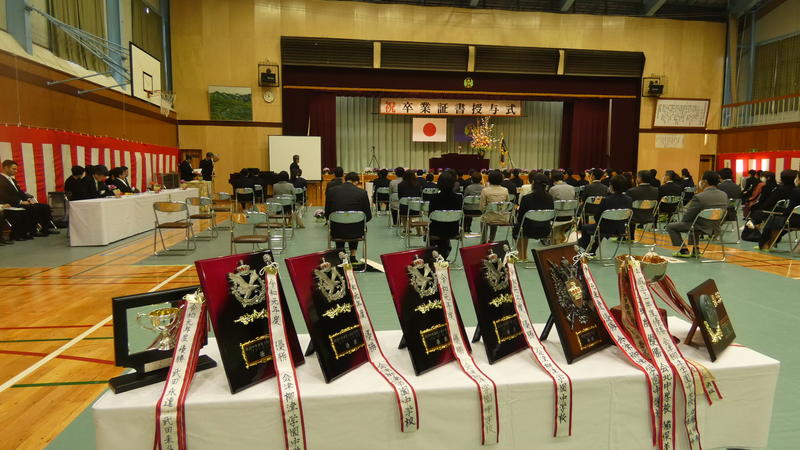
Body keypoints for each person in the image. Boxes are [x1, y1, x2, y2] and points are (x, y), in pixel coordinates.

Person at [667, 171, 729, 258]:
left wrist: (683, 221)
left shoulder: (699, 197)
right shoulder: (724, 195)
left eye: (701, 179)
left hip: (701, 227)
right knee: (695, 221)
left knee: (671, 226)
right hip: (715, 227)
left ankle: (683, 250)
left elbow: (688, 216)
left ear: (705, 181)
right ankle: (695, 249)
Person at [577, 175, 632, 254]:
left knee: (585, 227)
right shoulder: (629, 199)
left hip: (605, 229)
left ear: (611, 186)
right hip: (621, 229)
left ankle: (584, 249)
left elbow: (597, 217)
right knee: (601, 227)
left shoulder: (606, 200)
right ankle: (592, 250)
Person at [0, 160, 57, 235]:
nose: (16, 171)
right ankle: (32, 231)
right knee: (33, 208)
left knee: (45, 207)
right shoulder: (1, 179)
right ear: (6, 168)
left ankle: (45, 228)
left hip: (19, 202)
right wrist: (20, 202)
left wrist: (28, 199)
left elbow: (20, 192)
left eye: (16, 169)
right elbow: (4, 195)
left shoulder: (12, 179)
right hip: (9, 203)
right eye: (13, 169)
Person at [325, 172, 371, 262]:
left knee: (339, 224)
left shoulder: (331, 191)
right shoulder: (362, 192)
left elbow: (327, 214)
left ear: (345, 180)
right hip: (356, 231)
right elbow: (368, 216)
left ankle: (340, 253)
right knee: (356, 223)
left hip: (336, 230)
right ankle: (353, 256)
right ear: (356, 182)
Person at [514, 174, 554, 260]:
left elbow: (520, 218)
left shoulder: (526, 198)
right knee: (522, 227)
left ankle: (522, 256)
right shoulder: (550, 198)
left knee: (519, 228)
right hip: (546, 230)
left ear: (533, 183)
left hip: (528, 230)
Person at [758, 170, 800, 250]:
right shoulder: (794, 190)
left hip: (794, 220)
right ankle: (772, 242)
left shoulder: (795, 192)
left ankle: (764, 244)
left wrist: (781, 213)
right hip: (795, 218)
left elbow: (789, 210)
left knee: (775, 221)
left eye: (797, 177)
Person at [427, 172, 463, 259]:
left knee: (435, 229)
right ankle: (444, 252)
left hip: (436, 230)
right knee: (445, 231)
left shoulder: (434, 197)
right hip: (453, 230)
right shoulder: (459, 198)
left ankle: (438, 254)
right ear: (453, 183)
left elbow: (430, 215)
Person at [626, 170, 659, 240]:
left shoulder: (631, 191)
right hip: (650, 216)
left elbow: (627, 205)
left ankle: (627, 236)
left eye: (637, 177)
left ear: (640, 179)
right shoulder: (656, 190)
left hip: (634, 217)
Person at [479, 170, 510, 243]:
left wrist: (487, 211)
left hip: (489, 218)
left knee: (484, 218)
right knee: (494, 215)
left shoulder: (485, 190)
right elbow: (508, 205)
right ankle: (491, 240)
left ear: (489, 179)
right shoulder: (505, 190)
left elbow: (481, 207)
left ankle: (483, 240)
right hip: (502, 218)